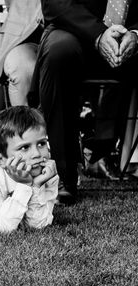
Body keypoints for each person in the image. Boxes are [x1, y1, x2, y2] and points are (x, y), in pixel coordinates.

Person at [34, 0, 138, 204]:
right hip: (77, 33)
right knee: (58, 51)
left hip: (133, 38)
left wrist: (136, 35)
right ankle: (64, 175)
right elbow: (54, 4)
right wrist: (98, 34)